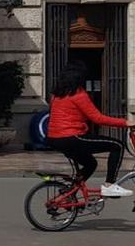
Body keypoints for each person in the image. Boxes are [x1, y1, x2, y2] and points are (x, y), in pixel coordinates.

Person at [46, 60, 133, 198]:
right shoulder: (79, 94)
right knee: (117, 146)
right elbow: (98, 118)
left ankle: (69, 193)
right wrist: (126, 122)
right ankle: (109, 185)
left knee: (91, 163)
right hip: (72, 137)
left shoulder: (57, 95)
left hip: (54, 138)